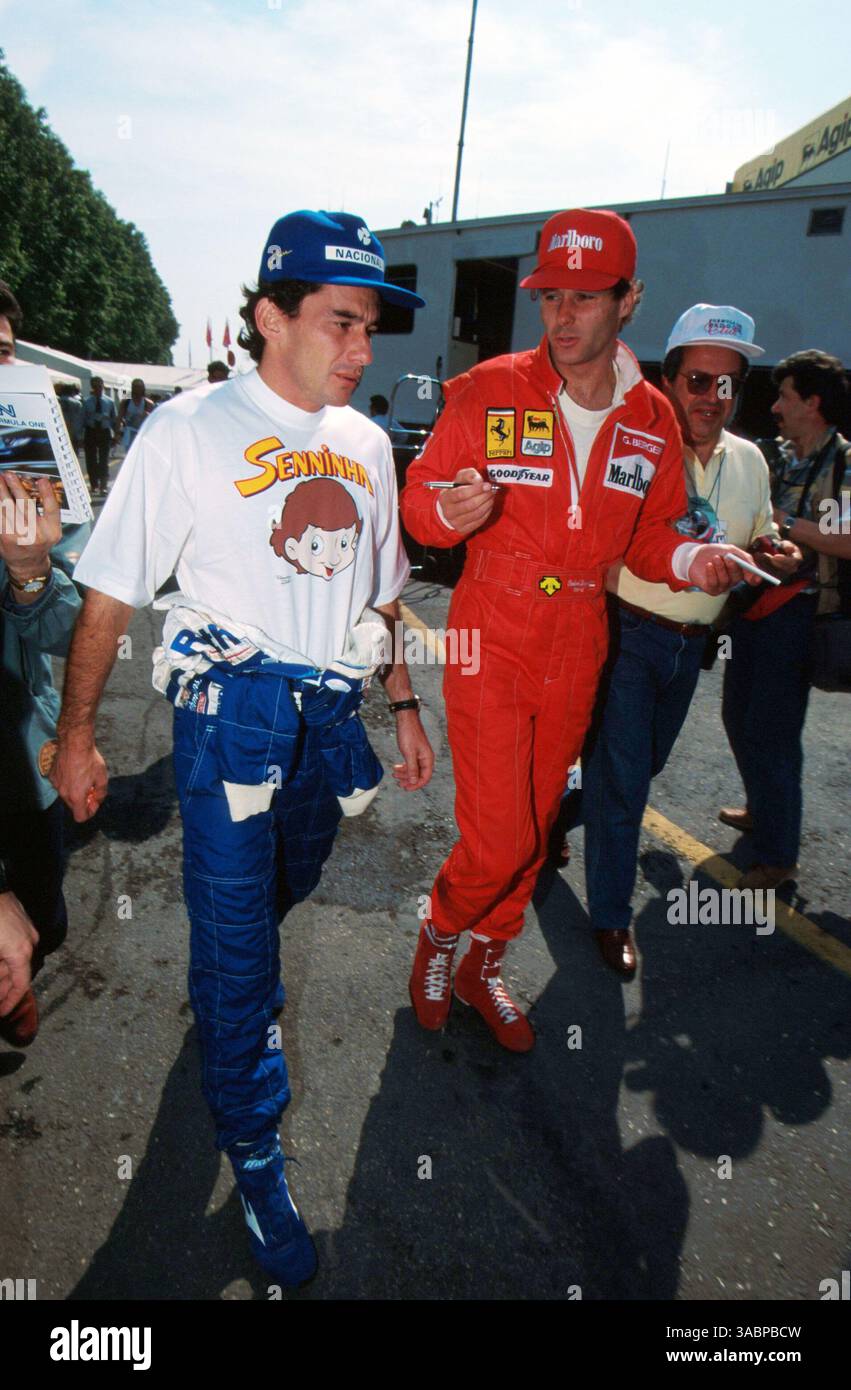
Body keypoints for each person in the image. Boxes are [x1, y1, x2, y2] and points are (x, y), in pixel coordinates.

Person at [51, 209, 433, 1287]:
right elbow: (110, 593)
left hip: (324, 727)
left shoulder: (365, 446)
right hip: (229, 729)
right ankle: (256, 1153)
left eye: (372, 330)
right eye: (343, 324)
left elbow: (384, 598)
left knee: (277, 894)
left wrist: (401, 706)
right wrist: (77, 736)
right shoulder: (186, 431)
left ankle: (228, 986)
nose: (364, 353)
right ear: (269, 317)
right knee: (240, 959)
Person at [402, 209, 763, 1052]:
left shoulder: (650, 419)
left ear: (627, 300)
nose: (562, 316)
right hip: (492, 623)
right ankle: (437, 938)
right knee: (498, 839)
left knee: (533, 829)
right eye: (550, 296)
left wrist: (695, 565)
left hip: (580, 634)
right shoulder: (489, 387)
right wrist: (444, 513)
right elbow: (417, 494)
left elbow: (656, 533)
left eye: (585, 298)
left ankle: (480, 964)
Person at [576, 304, 801, 974]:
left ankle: (553, 819)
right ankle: (612, 920)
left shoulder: (751, 460)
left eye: (726, 384)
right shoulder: (631, 450)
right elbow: (593, 545)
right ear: (668, 381)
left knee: (638, 767)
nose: (712, 397)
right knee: (623, 784)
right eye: (697, 381)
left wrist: (771, 549)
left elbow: (756, 530)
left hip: (693, 644)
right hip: (627, 635)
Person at [721, 350, 851, 890]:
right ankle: (761, 807)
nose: (775, 407)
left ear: (813, 404)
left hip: (799, 617)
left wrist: (785, 524)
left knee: (773, 733)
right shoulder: (775, 456)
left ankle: (778, 859)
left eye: (785, 397)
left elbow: (845, 539)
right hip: (753, 606)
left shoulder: (844, 464)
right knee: (735, 715)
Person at [0, 287, 86, 1049]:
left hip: (23, 754)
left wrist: (30, 571)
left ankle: (21, 966)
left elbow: (71, 628)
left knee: (45, 914)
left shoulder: (37, 472)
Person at [81, 377, 118, 497]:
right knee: (91, 460)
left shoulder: (109, 402)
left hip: (104, 431)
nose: (98, 388)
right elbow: (82, 418)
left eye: (100, 386)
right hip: (91, 431)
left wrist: (116, 434)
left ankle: (103, 485)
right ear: (92, 387)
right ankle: (94, 485)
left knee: (103, 460)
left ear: (103, 386)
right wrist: (79, 435)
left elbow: (114, 418)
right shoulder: (86, 402)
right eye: (95, 386)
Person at [117, 378, 153, 452]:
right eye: (135, 386)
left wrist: (147, 414)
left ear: (143, 388)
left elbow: (153, 420)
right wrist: (117, 433)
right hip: (129, 434)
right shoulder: (125, 402)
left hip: (143, 434)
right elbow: (119, 418)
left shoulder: (148, 403)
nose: (137, 389)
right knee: (130, 456)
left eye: (139, 387)